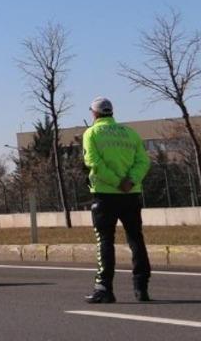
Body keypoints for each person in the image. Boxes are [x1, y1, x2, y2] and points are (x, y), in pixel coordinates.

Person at [83, 97, 152, 304]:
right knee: (136, 239)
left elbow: (92, 162)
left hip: (105, 195)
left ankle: (104, 288)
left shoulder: (92, 133)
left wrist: (115, 181)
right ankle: (141, 287)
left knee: (105, 241)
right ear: (111, 112)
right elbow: (143, 161)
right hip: (130, 195)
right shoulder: (130, 133)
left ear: (94, 114)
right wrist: (129, 181)